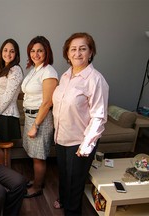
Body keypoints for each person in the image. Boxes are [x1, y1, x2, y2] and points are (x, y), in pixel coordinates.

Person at [52, 32, 109, 215]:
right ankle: (64, 200)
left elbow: (98, 116)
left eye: (83, 49)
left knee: (75, 182)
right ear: (67, 54)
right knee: (63, 175)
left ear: (90, 52)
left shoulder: (96, 79)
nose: (78, 53)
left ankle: (72, 211)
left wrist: (86, 146)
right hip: (61, 136)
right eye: (73, 49)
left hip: (80, 140)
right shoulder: (65, 76)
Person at [21, 36, 58, 198]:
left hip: (40, 119)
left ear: (47, 52)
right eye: (33, 51)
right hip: (31, 116)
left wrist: (36, 125)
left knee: (39, 157)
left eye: (40, 51)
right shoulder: (34, 70)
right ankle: (37, 180)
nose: (36, 54)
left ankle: (37, 188)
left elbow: (47, 102)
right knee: (34, 154)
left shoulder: (49, 71)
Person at [0, 38, 23, 142]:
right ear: (1, 52)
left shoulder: (15, 70)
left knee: (4, 150)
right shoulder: (1, 68)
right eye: (5, 50)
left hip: (6, 115)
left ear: (16, 54)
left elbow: (8, 95)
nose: (8, 54)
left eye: (12, 51)